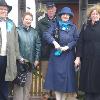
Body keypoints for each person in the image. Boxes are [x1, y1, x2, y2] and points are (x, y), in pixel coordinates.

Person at [43, 7, 79, 100]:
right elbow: (46, 34)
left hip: (68, 56)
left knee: (65, 80)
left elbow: (76, 39)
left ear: (70, 16)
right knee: (57, 80)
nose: (65, 16)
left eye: (67, 15)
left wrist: (68, 46)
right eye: (64, 14)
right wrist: (54, 42)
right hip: (56, 55)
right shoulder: (55, 25)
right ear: (61, 15)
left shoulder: (74, 27)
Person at [75, 4, 100, 100]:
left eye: (97, 13)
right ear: (90, 15)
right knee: (87, 83)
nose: (95, 15)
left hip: (98, 59)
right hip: (87, 59)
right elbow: (80, 42)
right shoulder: (85, 27)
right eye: (93, 14)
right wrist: (78, 57)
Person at [13, 12, 41, 100]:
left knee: (27, 86)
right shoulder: (17, 30)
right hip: (19, 63)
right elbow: (14, 45)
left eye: (30, 19)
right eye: (26, 19)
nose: (28, 21)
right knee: (19, 85)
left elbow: (38, 46)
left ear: (32, 20)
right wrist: (19, 57)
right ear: (22, 19)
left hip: (30, 63)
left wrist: (36, 59)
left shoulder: (34, 32)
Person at [0, 0, 21, 100]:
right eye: (1, 9)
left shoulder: (11, 24)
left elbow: (16, 41)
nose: (4, 11)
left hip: (8, 57)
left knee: (5, 80)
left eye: (5, 9)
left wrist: (18, 57)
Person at [36, 2, 57, 80]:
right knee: (45, 75)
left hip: (57, 53)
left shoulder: (59, 21)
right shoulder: (40, 22)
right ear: (46, 10)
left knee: (56, 74)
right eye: (49, 9)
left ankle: (55, 92)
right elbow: (37, 38)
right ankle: (46, 92)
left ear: (55, 10)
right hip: (45, 53)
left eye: (52, 9)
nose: (50, 10)